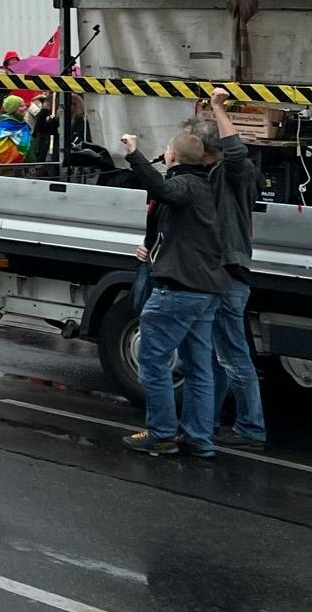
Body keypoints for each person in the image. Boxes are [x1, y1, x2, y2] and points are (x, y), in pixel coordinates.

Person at [122, 128, 227, 458]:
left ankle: (162, 433)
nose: (165, 152)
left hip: (178, 290)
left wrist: (134, 154)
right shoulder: (208, 186)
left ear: (173, 157)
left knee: (153, 362)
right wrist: (151, 249)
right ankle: (199, 437)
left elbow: (163, 189)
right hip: (207, 289)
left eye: (167, 148)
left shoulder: (183, 184)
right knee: (199, 367)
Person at [192, 91, 265, 451]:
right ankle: (213, 418)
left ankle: (251, 427)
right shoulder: (214, 176)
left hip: (229, 274)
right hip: (222, 272)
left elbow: (236, 152)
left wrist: (219, 108)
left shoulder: (233, 173)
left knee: (232, 355)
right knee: (218, 355)